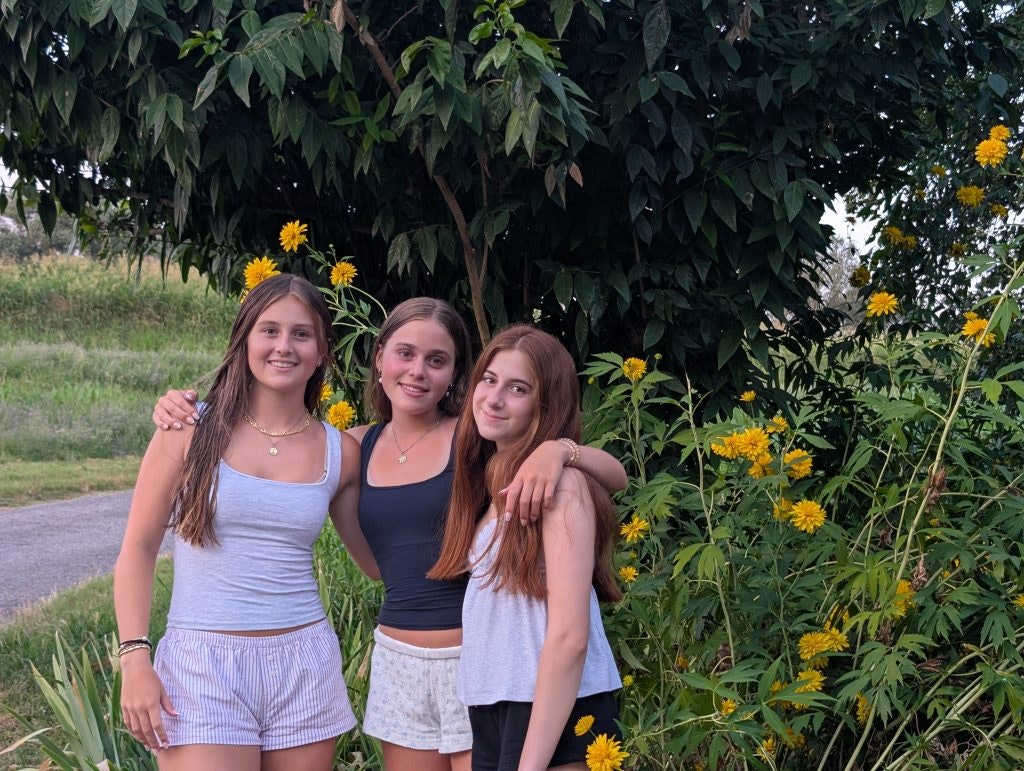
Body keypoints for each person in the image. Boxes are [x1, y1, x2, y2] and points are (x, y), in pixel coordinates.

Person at [152, 298, 627, 771]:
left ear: (455, 374)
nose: (417, 371)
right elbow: (374, 564)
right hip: (398, 659)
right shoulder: (350, 447)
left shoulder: (474, 436)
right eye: (405, 353)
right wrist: (181, 410)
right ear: (378, 357)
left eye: (437, 360)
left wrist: (559, 450)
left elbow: (615, 476)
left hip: (477, 661)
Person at [115, 274, 378, 771]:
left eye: (301, 334)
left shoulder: (339, 452)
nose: (284, 346)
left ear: (323, 349)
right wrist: (134, 657)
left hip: (303, 664)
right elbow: (138, 548)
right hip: (202, 664)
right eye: (269, 330)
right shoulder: (188, 428)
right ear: (245, 339)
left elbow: (376, 563)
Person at [429, 325, 623, 771]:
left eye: (517, 388)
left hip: (555, 709)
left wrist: (560, 451)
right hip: (497, 706)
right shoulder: (493, 482)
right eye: (489, 379)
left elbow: (571, 637)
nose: (494, 398)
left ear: (546, 404)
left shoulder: (563, 485)